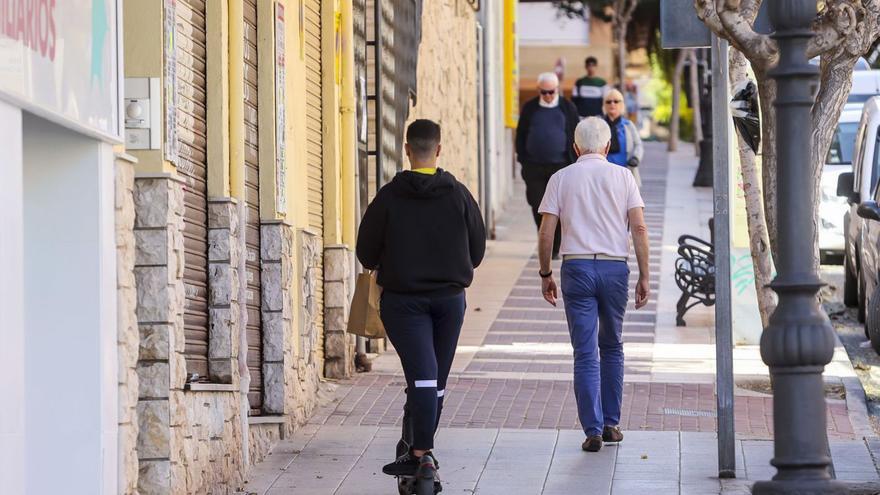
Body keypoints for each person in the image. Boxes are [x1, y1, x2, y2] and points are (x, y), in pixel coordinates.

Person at [356, 119, 486, 476]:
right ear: (439, 150)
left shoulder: (388, 197)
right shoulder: (459, 194)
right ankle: (421, 449)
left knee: (424, 377)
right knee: (434, 379)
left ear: (407, 150)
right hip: (449, 301)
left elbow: (366, 253)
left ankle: (418, 453)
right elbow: (477, 251)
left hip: (403, 302)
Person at [537, 117, 650, 452]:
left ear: (575, 147)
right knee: (612, 345)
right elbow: (639, 229)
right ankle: (612, 423)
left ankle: (593, 430)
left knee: (585, 351)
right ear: (608, 146)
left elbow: (547, 232)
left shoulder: (560, 178)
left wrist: (546, 274)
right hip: (615, 269)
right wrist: (645, 275)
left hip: (577, 268)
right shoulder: (624, 176)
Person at [515, 72, 580, 258]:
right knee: (538, 205)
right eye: (544, 92)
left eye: (551, 92)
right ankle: (545, 239)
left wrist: (574, 162)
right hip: (534, 167)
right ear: (539, 90)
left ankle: (555, 247)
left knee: (559, 208)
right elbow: (521, 135)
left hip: (560, 167)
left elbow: (575, 134)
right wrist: (523, 158)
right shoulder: (530, 108)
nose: (548, 96)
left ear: (557, 89)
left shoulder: (567, 108)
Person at [602, 88, 644, 187]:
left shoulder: (628, 125)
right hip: (603, 175)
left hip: (625, 173)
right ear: (604, 105)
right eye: (609, 102)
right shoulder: (599, 125)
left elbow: (638, 145)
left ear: (622, 104)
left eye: (616, 101)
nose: (612, 104)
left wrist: (636, 158)